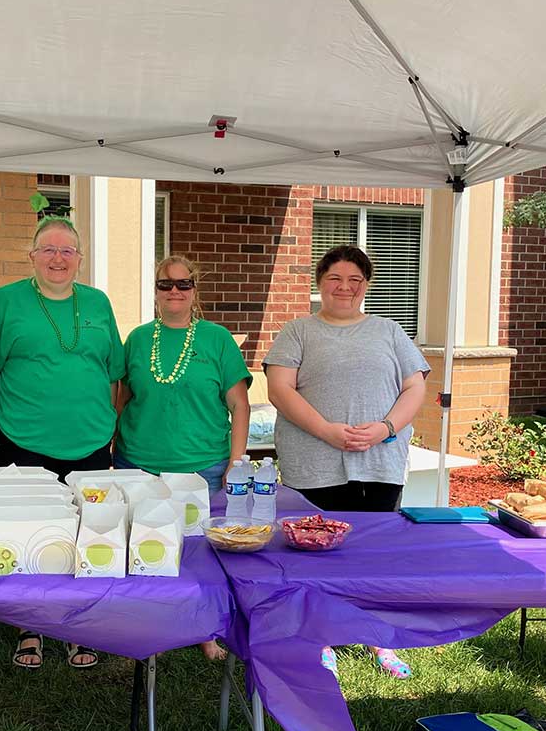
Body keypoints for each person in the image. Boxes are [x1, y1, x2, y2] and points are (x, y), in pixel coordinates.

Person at [264, 244, 429, 679]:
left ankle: (377, 637)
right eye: (335, 278)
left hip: (379, 463)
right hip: (314, 465)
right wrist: (326, 431)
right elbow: (279, 390)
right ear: (320, 283)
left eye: (355, 280)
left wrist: (386, 428)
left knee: (373, 553)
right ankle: (320, 638)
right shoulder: (297, 331)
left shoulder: (389, 331)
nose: (345, 287)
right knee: (313, 553)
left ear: (366, 286)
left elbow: (415, 388)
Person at [0, 215, 124, 671]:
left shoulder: (98, 303)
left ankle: (76, 623)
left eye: (67, 251)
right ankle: (30, 624)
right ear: (32, 256)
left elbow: (114, 374)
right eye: (48, 249)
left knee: (85, 532)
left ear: (80, 258)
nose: (57, 258)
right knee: (31, 533)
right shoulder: (5, 303)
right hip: (23, 440)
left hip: (91, 443)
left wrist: (109, 427)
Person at [116, 256, 251, 662]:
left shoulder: (217, 339)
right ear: (155, 291)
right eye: (165, 284)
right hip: (139, 463)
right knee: (143, 547)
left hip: (202, 465)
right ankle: (150, 627)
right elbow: (122, 400)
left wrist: (236, 461)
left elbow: (239, 405)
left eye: (183, 284)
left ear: (195, 289)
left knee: (199, 553)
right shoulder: (138, 339)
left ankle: (204, 629)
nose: (174, 291)